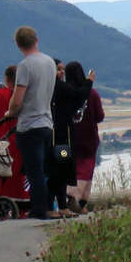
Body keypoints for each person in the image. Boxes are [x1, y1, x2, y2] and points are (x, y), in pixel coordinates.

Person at [6, 26, 59, 220]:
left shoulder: (25, 66)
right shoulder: (50, 62)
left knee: (33, 170)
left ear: (18, 45)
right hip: (47, 122)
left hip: (29, 125)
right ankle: (49, 205)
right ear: (36, 39)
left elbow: (18, 100)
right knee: (44, 169)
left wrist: (10, 111)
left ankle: (39, 210)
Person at [50, 60, 95, 216]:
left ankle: (58, 205)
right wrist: (89, 82)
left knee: (58, 170)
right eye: (58, 69)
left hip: (57, 136)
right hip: (62, 138)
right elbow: (79, 95)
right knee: (62, 168)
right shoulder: (60, 87)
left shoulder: (52, 87)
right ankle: (61, 206)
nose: (61, 72)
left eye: (63, 69)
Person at [66, 62, 105, 214]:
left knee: (72, 168)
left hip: (70, 137)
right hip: (89, 138)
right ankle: (77, 199)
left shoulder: (66, 92)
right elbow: (100, 116)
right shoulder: (92, 94)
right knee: (86, 170)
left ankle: (79, 203)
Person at [0, 65, 29, 204]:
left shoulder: (0, 94)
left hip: (0, 138)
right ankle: (22, 202)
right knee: (18, 174)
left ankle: (1, 202)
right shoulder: (24, 95)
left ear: (7, 79)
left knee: (2, 175)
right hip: (19, 137)